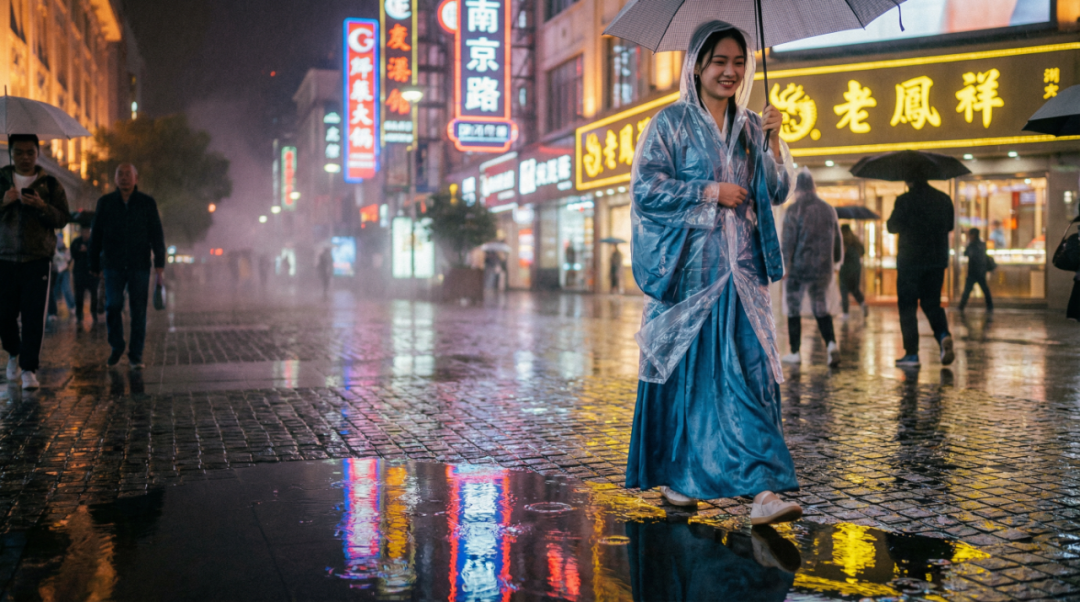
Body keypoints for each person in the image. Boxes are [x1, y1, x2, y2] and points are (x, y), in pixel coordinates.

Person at [626, 21, 801, 525]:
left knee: (750, 379)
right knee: (691, 381)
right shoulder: (669, 123)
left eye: (739, 62)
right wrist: (709, 192)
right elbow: (646, 190)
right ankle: (682, 477)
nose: (730, 71)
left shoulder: (752, 127)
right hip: (690, 280)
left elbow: (776, 191)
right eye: (720, 61)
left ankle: (763, 490)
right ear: (697, 66)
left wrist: (773, 144)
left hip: (744, 281)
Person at [0, 134, 70, 389]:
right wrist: (3, 202)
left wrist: (42, 206)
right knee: (4, 314)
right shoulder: (1, 180)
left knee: (33, 316)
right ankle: (13, 352)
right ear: (11, 153)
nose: (25, 157)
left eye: (30, 152)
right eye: (19, 152)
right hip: (4, 257)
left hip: (37, 259)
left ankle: (29, 368)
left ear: (37, 153)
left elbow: (63, 218)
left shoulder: (49, 183)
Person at [89, 164, 166, 369]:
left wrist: (160, 263)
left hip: (139, 265)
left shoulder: (146, 203)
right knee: (112, 305)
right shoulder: (105, 203)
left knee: (138, 311)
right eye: (120, 175)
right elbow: (96, 234)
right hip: (112, 264)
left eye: (128, 174)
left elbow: (156, 234)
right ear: (115, 179)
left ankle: (136, 354)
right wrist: (94, 262)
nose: (124, 178)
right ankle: (117, 345)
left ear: (136, 178)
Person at [886, 179, 955, 367]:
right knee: (932, 303)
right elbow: (950, 226)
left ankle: (912, 354)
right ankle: (943, 334)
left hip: (910, 261)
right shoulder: (943, 199)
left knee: (907, 306)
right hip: (936, 261)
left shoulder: (904, 200)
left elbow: (892, 226)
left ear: (909, 179)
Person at [781, 170, 842, 367]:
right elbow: (837, 239)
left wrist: (784, 266)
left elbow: (788, 241)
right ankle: (831, 345)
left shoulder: (794, 209)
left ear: (798, 189)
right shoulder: (828, 209)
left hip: (798, 268)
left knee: (793, 309)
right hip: (823, 269)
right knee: (821, 307)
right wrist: (835, 262)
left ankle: (795, 352)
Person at [958, 228, 993, 313]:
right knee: (984, 289)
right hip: (980, 271)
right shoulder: (982, 245)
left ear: (973, 235)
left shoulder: (972, 245)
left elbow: (966, 253)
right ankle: (990, 306)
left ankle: (961, 307)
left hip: (973, 272)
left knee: (968, 290)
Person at [70, 225, 99, 323]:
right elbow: (73, 254)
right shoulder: (76, 242)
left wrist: (87, 250)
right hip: (79, 273)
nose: (85, 233)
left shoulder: (93, 242)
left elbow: (96, 253)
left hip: (91, 273)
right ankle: (79, 315)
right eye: (84, 231)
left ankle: (94, 313)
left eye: (87, 231)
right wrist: (79, 250)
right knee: (79, 295)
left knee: (94, 294)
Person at [839, 224, 868, 318]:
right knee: (854, 289)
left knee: (844, 290)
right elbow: (863, 251)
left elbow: (840, 255)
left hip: (845, 268)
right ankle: (863, 304)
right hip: (856, 268)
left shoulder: (843, 241)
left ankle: (845, 313)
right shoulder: (855, 240)